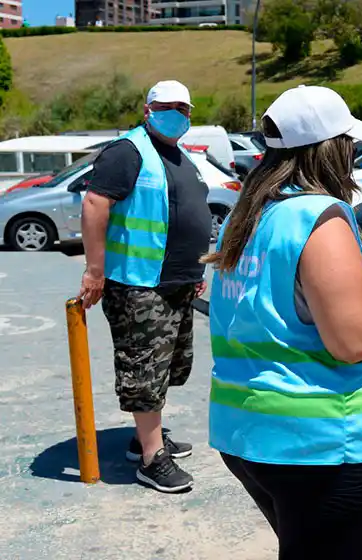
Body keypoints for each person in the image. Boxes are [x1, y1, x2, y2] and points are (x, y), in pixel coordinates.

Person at [202, 85, 362, 560]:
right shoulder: (318, 220)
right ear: (334, 150)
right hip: (322, 440)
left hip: (248, 431)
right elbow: (351, 342)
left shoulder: (248, 215)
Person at [78, 80, 210, 493]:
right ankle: (153, 458)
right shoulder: (127, 151)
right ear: (148, 108)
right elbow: (95, 205)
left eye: (184, 108)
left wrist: (193, 271)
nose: (177, 113)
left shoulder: (176, 155)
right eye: (167, 106)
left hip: (174, 282)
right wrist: (94, 270)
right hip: (138, 283)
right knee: (144, 369)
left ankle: (144, 438)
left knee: (169, 366)